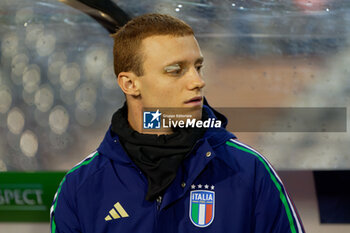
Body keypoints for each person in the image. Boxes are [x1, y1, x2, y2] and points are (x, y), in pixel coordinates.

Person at [50, 13, 304, 233]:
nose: (197, 81)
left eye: (198, 67)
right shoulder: (79, 188)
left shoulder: (250, 171)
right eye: (175, 70)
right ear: (130, 84)